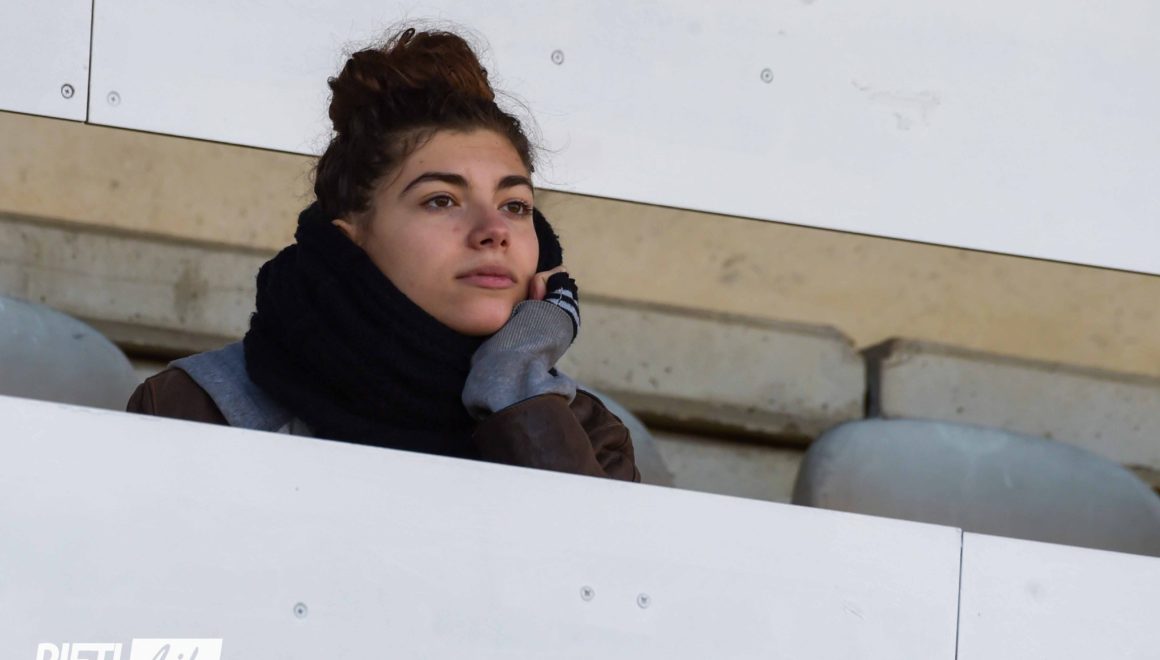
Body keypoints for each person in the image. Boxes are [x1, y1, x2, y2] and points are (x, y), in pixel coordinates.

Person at [127, 27, 639, 482]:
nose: (493, 231)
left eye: (515, 206)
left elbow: (586, 563)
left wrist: (513, 384)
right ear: (350, 239)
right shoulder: (192, 409)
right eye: (441, 200)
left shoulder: (590, 437)